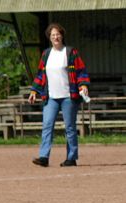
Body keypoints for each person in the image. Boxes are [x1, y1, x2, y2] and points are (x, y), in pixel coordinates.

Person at [29, 23, 90, 167]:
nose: (55, 37)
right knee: (47, 125)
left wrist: (83, 85)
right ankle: (44, 157)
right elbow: (40, 75)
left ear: (62, 36)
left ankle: (71, 158)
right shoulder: (46, 54)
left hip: (69, 96)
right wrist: (34, 91)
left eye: (58, 34)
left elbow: (81, 71)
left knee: (69, 128)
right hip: (50, 97)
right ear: (49, 38)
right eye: (52, 35)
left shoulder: (70, 52)